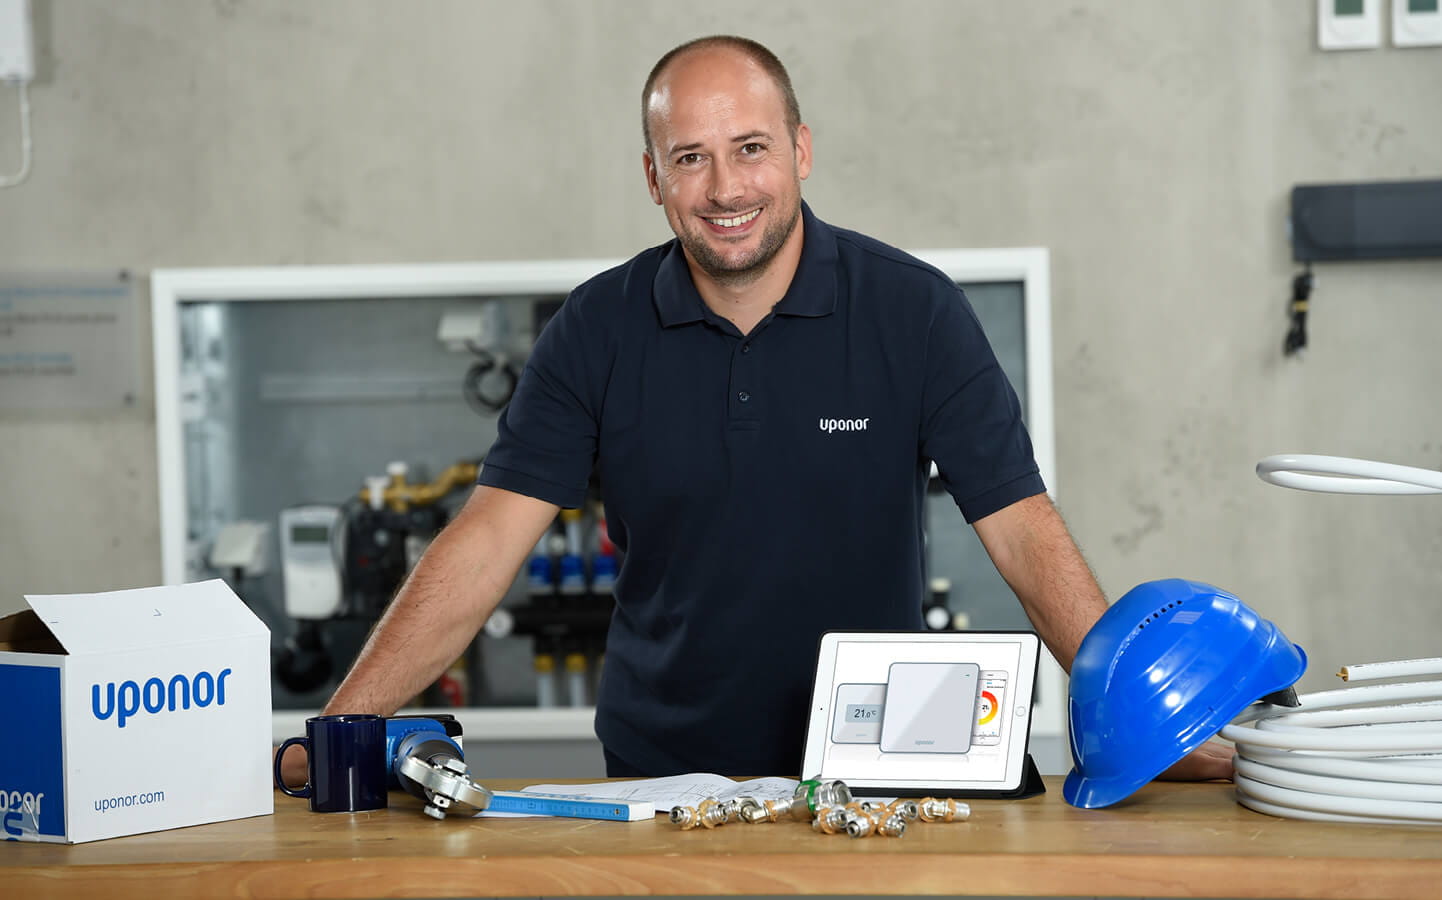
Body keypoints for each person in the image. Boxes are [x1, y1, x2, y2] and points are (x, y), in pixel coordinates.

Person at [288, 35, 1232, 782]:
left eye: (750, 148)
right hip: (661, 780)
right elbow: (486, 543)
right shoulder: (595, 329)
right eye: (689, 158)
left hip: (881, 768)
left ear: (801, 151)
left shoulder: (914, 311)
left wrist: (1145, 727)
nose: (725, 188)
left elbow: (1023, 533)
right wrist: (337, 733)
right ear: (654, 179)